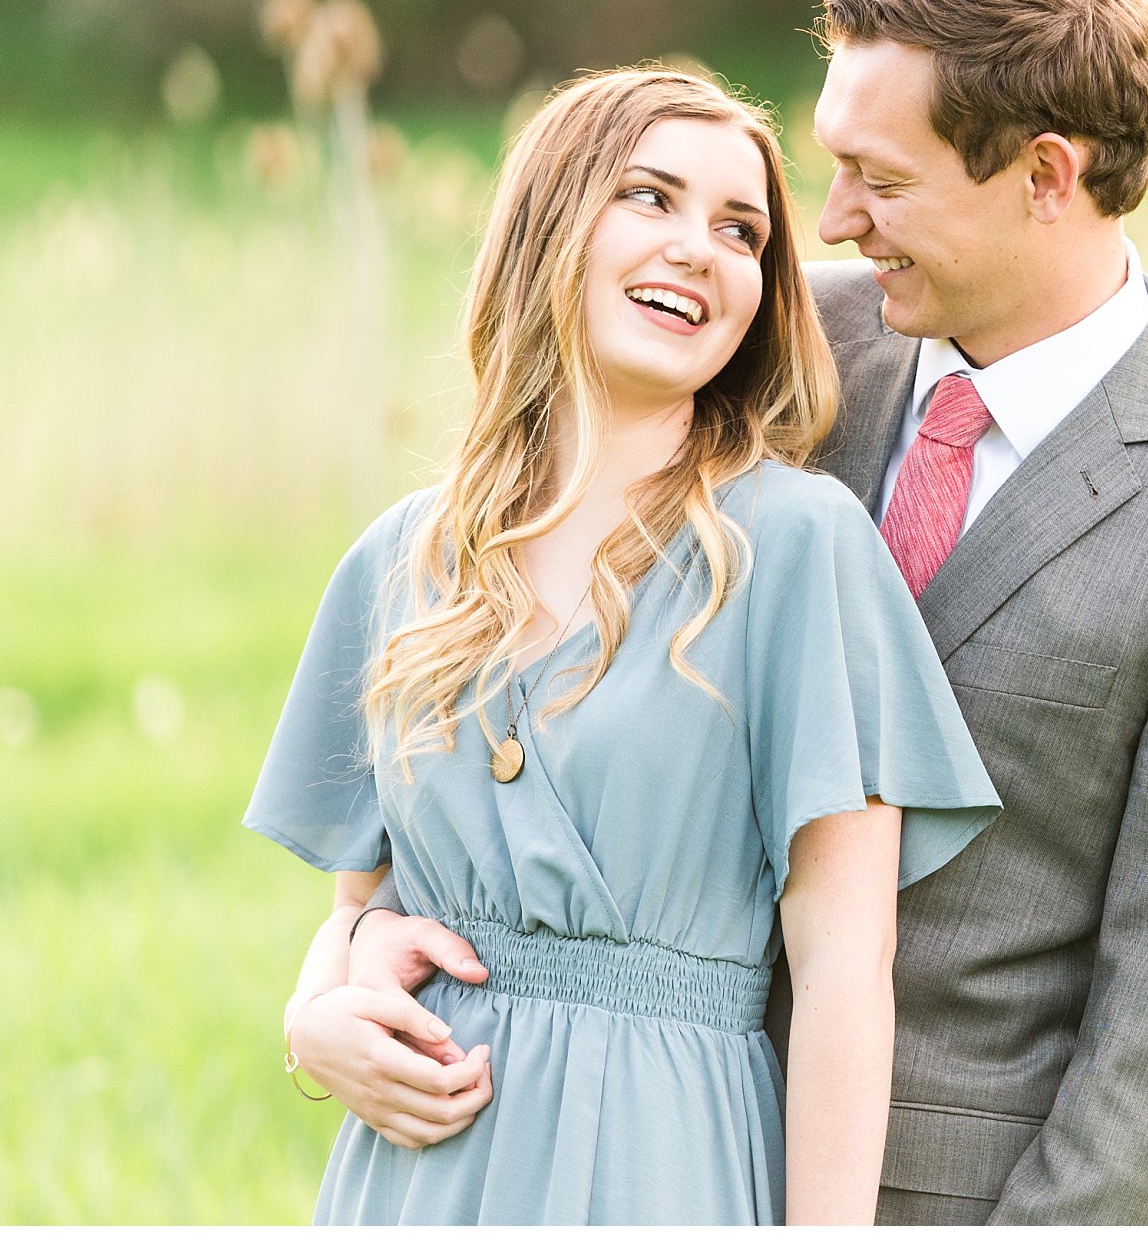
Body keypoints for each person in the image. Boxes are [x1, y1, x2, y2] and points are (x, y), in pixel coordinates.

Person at [311, 0, 1148, 1223]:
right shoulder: (774, 352)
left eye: (879, 179)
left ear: (1043, 175)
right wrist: (328, 984)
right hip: (577, 1141)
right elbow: (497, 691)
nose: (837, 223)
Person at [243, 66, 1000, 1224]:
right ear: (550, 226)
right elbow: (368, 912)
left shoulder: (794, 547)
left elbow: (848, 965)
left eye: (740, 229)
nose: (701, 248)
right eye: (650, 198)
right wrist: (314, 1016)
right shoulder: (406, 558)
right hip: (415, 1178)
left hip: (664, 1156)